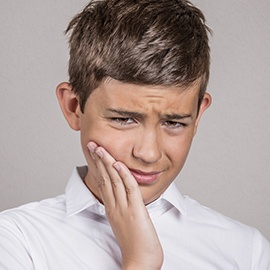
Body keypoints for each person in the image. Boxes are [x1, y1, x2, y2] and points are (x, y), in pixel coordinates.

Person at [0, 0, 269, 269]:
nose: (148, 153)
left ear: (198, 116)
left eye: (174, 122)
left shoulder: (246, 252)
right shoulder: (17, 240)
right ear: (73, 108)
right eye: (123, 119)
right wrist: (141, 261)